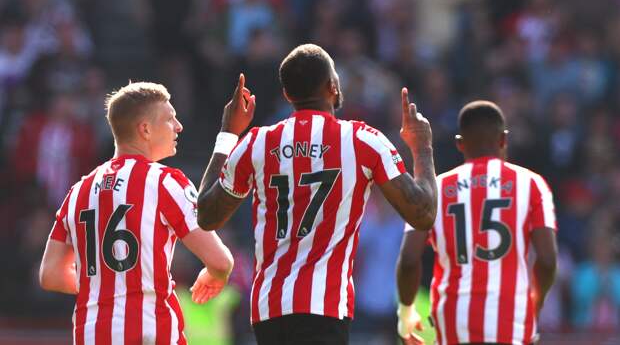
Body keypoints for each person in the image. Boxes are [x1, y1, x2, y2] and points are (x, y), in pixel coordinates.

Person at [194, 43, 438, 345]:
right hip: (324, 308)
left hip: (269, 310)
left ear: (287, 95)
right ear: (332, 86)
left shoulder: (257, 142)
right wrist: (422, 148)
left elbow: (205, 215)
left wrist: (228, 134)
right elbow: (423, 213)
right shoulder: (362, 141)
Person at [38, 81, 247, 344]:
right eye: (170, 119)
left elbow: (51, 274)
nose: (179, 126)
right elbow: (220, 261)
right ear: (145, 129)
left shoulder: (78, 191)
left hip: (90, 333)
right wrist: (216, 274)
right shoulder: (164, 182)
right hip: (150, 332)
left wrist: (106, 286)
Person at [396, 101, 558, 345]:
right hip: (511, 322)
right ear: (503, 139)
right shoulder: (532, 184)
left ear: (460, 144)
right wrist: (535, 302)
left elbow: (409, 259)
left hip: (453, 322)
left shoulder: (436, 188)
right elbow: (547, 260)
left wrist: (406, 312)